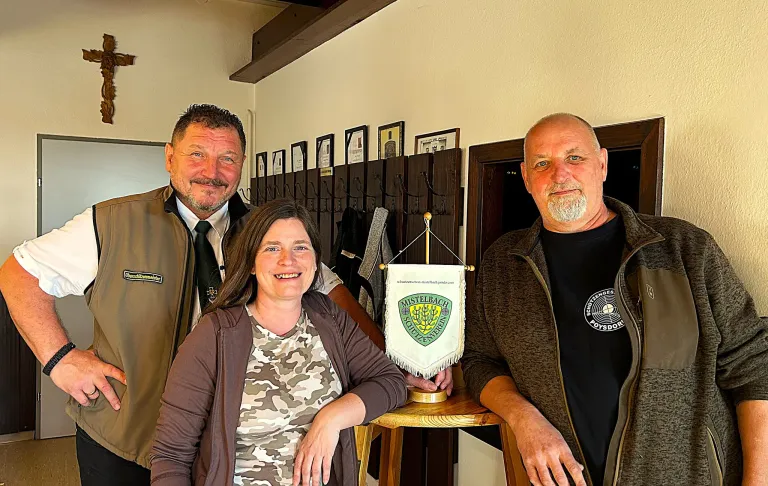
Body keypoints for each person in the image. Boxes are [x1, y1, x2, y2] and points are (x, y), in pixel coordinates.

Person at [0, 104, 448, 485]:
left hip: (225, 443)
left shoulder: (264, 231)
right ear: (170, 158)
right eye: (197, 154)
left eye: (227, 159)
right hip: (124, 435)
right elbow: (19, 274)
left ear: (242, 164)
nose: (211, 173)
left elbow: (331, 293)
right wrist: (60, 359)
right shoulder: (112, 223)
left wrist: (399, 361)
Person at [461, 113, 768, 486]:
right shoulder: (503, 264)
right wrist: (525, 420)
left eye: (575, 158)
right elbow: (480, 361)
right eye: (543, 163)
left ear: (602, 164)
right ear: (526, 178)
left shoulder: (684, 250)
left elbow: (755, 367)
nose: (560, 175)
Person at [150, 199, 406, 485]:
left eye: (300, 247)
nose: (289, 260)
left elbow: (390, 382)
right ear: (250, 263)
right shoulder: (215, 335)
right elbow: (170, 457)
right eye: (272, 248)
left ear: (314, 259)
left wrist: (330, 420)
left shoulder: (329, 318)